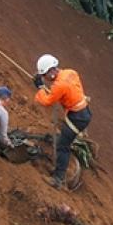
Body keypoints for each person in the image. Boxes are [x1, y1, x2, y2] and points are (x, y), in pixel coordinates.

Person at [33, 54, 91, 189]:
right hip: (83, 112)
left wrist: (40, 88)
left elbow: (47, 101)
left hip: (77, 118)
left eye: (45, 75)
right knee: (63, 142)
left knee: (62, 146)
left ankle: (58, 179)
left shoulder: (59, 85)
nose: (45, 78)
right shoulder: (70, 72)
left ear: (52, 72)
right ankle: (59, 171)